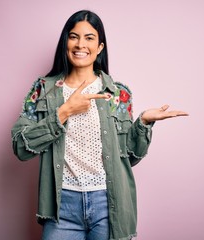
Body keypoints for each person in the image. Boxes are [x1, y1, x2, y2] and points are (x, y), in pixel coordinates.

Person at [11, 10, 188, 240]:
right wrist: (64, 112)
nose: (80, 44)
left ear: (100, 47)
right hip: (61, 207)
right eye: (73, 36)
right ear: (65, 42)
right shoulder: (43, 90)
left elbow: (128, 158)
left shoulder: (117, 94)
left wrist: (143, 123)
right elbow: (20, 147)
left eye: (89, 38)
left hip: (108, 205)